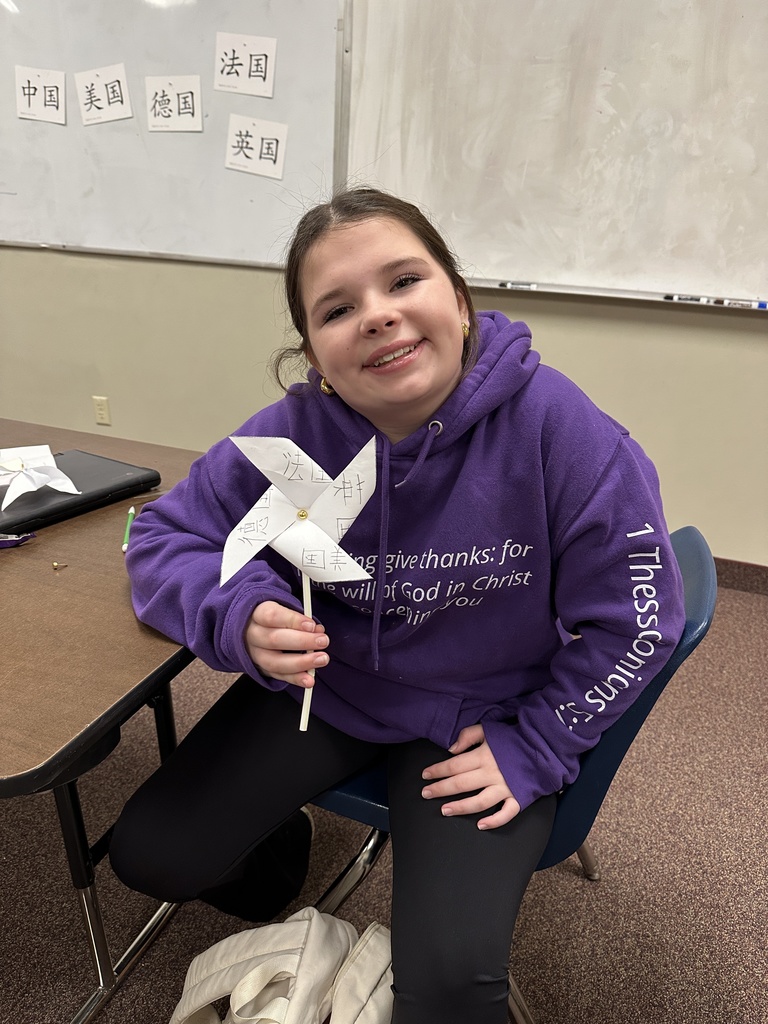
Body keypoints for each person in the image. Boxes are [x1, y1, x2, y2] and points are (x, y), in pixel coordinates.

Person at [109, 187, 686, 1023]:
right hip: (331, 690)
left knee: (450, 989)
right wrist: (238, 614)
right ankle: (280, 857)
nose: (377, 316)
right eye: (338, 307)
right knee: (153, 857)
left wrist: (539, 745)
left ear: (457, 296)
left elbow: (639, 622)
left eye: (404, 281)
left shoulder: (562, 431)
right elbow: (164, 537)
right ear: (312, 347)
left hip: (482, 719)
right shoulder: (296, 435)